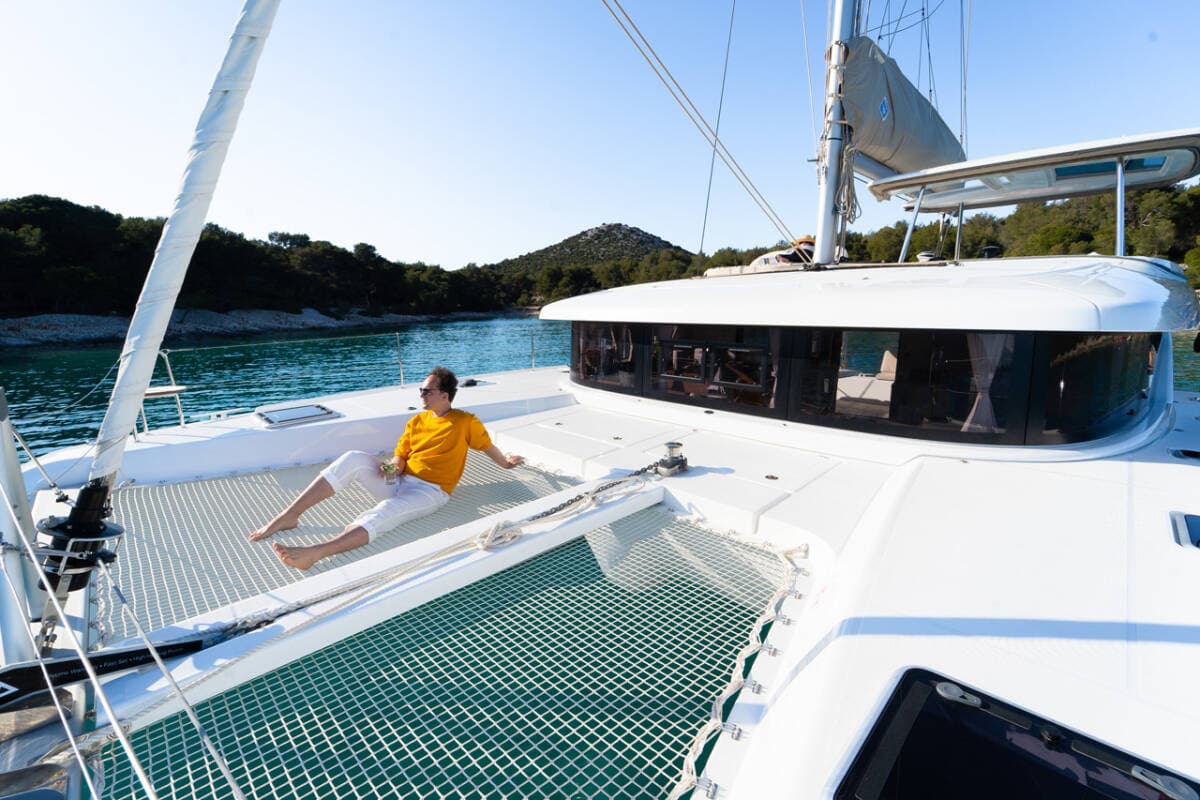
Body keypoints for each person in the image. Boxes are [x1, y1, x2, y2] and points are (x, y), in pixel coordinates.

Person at [249, 366, 524, 570]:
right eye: (421, 390)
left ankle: (316, 553)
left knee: (384, 512)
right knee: (353, 457)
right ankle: (290, 515)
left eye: (426, 391)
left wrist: (505, 463)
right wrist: (393, 467)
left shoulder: (465, 421)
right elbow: (401, 455)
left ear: (444, 395)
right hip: (399, 480)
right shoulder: (417, 421)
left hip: (430, 492)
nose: (421, 394)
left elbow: (486, 446)